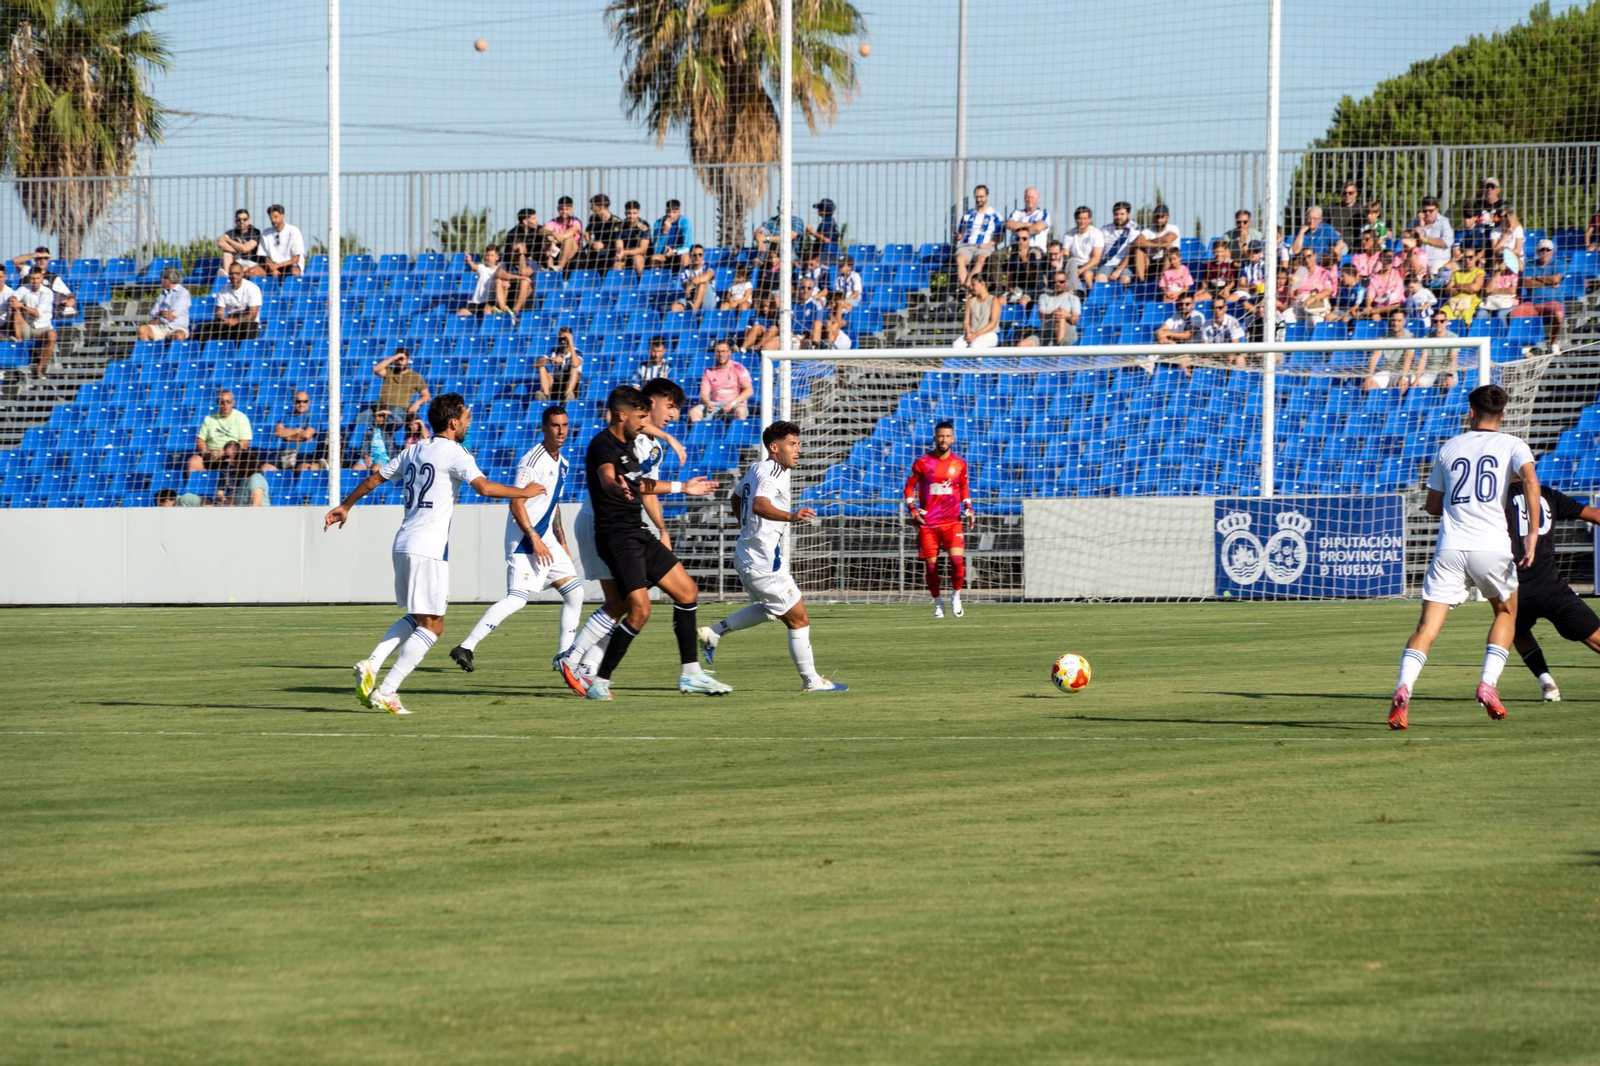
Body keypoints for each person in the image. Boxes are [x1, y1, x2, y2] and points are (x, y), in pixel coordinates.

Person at [328, 393, 544, 716]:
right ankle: (387, 691)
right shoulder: (456, 453)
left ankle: (372, 662)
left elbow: (375, 478)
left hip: (402, 543)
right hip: (428, 549)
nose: (469, 422)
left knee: (418, 618)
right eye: (467, 417)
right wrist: (524, 492)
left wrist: (346, 505)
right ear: (454, 422)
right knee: (434, 626)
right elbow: (483, 488)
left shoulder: (414, 449)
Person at [561, 385, 726, 701]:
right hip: (615, 536)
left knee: (687, 590)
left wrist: (683, 488)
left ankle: (691, 674)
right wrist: (614, 486)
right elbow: (607, 477)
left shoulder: (628, 446)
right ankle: (592, 675)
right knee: (635, 610)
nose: (645, 422)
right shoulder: (603, 445)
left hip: (637, 531)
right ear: (625, 415)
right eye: (640, 417)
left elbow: (644, 485)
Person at [1388, 384, 1538, 729]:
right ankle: (1487, 684)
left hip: (1450, 547)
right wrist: (1530, 535)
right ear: (1502, 415)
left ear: (1470, 412)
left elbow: (1431, 506)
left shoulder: (1449, 447)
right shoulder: (1513, 445)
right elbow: (1531, 481)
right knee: (1505, 612)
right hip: (1491, 547)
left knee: (1426, 628)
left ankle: (1404, 688)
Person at [696, 421, 848, 692]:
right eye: (792, 444)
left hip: (746, 555)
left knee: (771, 611)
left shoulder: (757, 468)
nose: (798, 449)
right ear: (774, 448)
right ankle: (812, 681)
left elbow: (735, 498)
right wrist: (791, 516)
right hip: (764, 562)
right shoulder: (774, 471)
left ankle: (714, 633)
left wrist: (746, 526)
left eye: (799, 443)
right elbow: (758, 504)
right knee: (799, 619)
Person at [449, 406, 586, 673]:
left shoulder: (564, 463)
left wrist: (562, 543)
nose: (561, 431)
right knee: (518, 598)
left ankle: (564, 659)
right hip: (525, 539)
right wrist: (534, 538)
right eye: (555, 426)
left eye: (565, 425)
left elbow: (553, 506)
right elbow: (516, 503)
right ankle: (466, 646)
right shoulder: (532, 461)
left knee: (575, 593)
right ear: (543, 428)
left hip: (546, 539)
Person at [1504, 478, 1600, 702]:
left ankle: (1546, 681)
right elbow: (1595, 515)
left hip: (1516, 591)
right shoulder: (1548, 494)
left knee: (1515, 629)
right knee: (1594, 637)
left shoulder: (1498, 497)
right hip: (1552, 589)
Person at [905, 421, 974, 620]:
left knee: (957, 562)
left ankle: (956, 596)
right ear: (935, 438)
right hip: (929, 524)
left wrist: (969, 508)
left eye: (947, 436)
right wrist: (912, 509)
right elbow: (909, 487)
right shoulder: (922, 462)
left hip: (952, 522)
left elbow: (963, 487)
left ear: (953, 439)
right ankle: (937, 603)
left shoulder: (959, 463)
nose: (943, 440)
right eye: (940, 436)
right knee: (931, 567)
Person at [1514, 239, 1567, 347]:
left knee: (1559, 315)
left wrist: (1537, 278)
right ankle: (1522, 344)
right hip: (1532, 303)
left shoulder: (1558, 263)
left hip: (1551, 302)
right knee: (1514, 314)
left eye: (1548, 249)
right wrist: (1549, 282)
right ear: (1537, 251)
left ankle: (1553, 343)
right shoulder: (1529, 265)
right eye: (1542, 249)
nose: (1545, 252)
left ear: (1552, 251)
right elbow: (1526, 283)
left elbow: (1556, 279)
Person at [193, 263, 261, 344]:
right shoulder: (223, 290)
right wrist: (221, 319)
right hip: (230, 321)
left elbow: (253, 315)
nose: (234, 276)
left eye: (237, 273)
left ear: (242, 273)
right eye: (231, 273)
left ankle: (239, 353)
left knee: (246, 327)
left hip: (247, 322)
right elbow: (219, 311)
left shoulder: (252, 288)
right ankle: (205, 353)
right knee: (205, 328)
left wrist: (236, 320)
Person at [187, 388, 253, 472]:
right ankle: (198, 483)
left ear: (233, 402)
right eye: (222, 402)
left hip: (231, 455)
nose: (225, 405)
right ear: (217, 403)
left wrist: (224, 452)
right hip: (211, 455)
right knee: (193, 462)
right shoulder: (209, 418)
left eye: (228, 402)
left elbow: (244, 443)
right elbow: (200, 440)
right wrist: (205, 453)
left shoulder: (241, 418)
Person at [952, 185, 1003, 288]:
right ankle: (968, 288)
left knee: (981, 258)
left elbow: (1000, 238)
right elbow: (961, 233)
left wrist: (987, 244)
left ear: (987, 196)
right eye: (977, 197)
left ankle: (968, 285)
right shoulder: (968, 214)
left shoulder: (995, 215)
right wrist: (958, 236)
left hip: (985, 246)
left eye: (981, 196)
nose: (979, 199)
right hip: (967, 245)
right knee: (959, 259)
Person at [689, 341, 753, 422]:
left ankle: (738, 433)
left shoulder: (738, 368)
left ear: (729, 352)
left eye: (723, 351)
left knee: (740, 411)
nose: (721, 354)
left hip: (734, 404)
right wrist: (708, 403)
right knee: (694, 412)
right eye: (718, 352)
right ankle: (700, 433)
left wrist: (732, 403)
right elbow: (704, 394)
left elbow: (749, 390)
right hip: (715, 405)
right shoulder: (709, 371)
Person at [1003, 187, 1051, 295]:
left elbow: (1038, 228)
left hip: (1035, 248)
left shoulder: (1043, 213)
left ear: (1038, 198)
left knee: (1033, 260)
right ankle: (1003, 290)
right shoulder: (1017, 213)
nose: (1029, 199)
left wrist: (1019, 227)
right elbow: (1009, 224)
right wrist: (1028, 225)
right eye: (1027, 197)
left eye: (1032, 197)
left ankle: (1038, 289)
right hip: (1015, 246)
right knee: (996, 257)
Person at [1017, 271, 1080, 348]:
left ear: (1066, 283)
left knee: (1060, 317)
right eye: (1054, 282)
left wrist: (1066, 315)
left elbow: (1075, 320)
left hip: (1067, 333)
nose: (1058, 284)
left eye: (1061, 282)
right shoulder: (1044, 297)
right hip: (1045, 333)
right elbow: (1042, 316)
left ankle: (1057, 353)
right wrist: (1052, 315)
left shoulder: (1074, 299)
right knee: (1022, 345)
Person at [12, 267, 56, 376]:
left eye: (37, 278)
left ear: (41, 278)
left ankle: (39, 368)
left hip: (42, 328)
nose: (35, 281)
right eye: (32, 279)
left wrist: (21, 305)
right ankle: (18, 340)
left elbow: (37, 313)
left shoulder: (47, 293)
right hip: (27, 326)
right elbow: (14, 297)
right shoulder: (24, 288)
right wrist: (14, 301)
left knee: (52, 335)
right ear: (29, 279)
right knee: (15, 310)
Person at [268, 390, 325, 471]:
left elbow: (307, 435)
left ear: (308, 402)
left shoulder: (313, 417)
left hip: (304, 454)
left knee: (303, 469)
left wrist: (287, 436)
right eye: (298, 401)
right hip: (285, 453)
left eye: (304, 401)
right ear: (294, 402)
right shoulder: (286, 416)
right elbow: (278, 432)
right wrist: (298, 431)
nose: (301, 404)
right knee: (266, 469)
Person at [1365, 309, 1418, 392]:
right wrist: (1369, 376)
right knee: (1368, 386)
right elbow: (1375, 357)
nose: (1395, 323)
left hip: (1404, 372)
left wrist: (1403, 377)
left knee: (1401, 388)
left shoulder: (1410, 337)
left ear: (1404, 321)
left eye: (1399, 321)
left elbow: (1408, 359)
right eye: (1393, 320)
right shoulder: (1383, 337)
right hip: (1387, 370)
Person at [458, 245, 516, 316]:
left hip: (489, 302)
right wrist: (469, 260)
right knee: (460, 313)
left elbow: (504, 279)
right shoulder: (482, 267)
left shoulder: (498, 270)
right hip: (476, 302)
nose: (489, 258)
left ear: (497, 258)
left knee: (487, 311)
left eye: (492, 255)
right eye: (487, 255)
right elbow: (474, 267)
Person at [373, 347, 430, 418]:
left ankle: (385, 416)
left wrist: (417, 404)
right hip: (380, 406)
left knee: (391, 420)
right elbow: (376, 369)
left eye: (402, 359)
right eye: (397, 360)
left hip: (398, 409)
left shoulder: (416, 377)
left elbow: (427, 396)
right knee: (360, 419)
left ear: (408, 360)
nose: (399, 362)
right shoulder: (389, 371)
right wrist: (394, 357)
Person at [1409, 197, 1455, 281]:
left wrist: (1425, 240)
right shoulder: (1416, 222)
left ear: (1437, 210)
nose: (1427, 214)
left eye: (1430, 211)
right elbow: (1407, 240)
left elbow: (1446, 242)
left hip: (1438, 264)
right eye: (1424, 211)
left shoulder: (1444, 222)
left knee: (1436, 269)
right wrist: (1420, 227)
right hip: (1419, 264)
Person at [138, 268, 191, 341]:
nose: (161, 281)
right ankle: (150, 351)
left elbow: (172, 316)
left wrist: (160, 316)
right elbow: (153, 313)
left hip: (176, 327)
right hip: (160, 327)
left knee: (179, 335)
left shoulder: (183, 293)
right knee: (142, 330)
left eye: (162, 279)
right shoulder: (162, 295)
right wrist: (162, 313)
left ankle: (174, 352)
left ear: (169, 280)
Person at [1096, 201, 1141, 286]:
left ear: (1128, 214)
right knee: (1099, 278)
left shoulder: (1134, 230)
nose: (1118, 217)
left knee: (1125, 279)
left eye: (1122, 214)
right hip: (1108, 264)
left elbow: (1130, 254)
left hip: (1126, 265)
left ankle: (1122, 299)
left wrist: (1119, 270)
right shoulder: (1104, 229)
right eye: (1116, 214)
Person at [1130, 204, 1179, 282]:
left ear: (1167, 217)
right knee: (1138, 250)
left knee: (1168, 249)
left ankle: (1163, 280)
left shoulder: (1173, 228)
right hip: (1151, 261)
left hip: (1168, 260)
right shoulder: (1148, 230)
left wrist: (1147, 243)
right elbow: (1138, 242)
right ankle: (1142, 281)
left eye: (1161, 217)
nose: (1159, 220)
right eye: (1157, 217)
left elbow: (1167, 239)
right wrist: (1159, 244)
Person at [254, 204, 304, 278]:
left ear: (283, 216)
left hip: (290, 265)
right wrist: (271, 267)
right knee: (252, 272)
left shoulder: (294, 231)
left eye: (276, 217)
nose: (273, 220)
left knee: (295, 273)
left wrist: (277, 266)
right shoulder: (266, 233)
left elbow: (296, 258)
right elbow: (264, 255)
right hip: (272, 265)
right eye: (271, 218)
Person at [951, 276, 1001, 350]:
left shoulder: (994, 300)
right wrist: (968, 333)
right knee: (956, 345)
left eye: (973, 284)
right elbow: (966, 321)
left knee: (975, 345)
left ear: (982, 284)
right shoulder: (970, 301)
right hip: (972, 333)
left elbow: (993, 323)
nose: (971, 287)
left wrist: (977, 334)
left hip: (989, 334)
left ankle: (977, 361)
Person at [579, 194, 623, 273]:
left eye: (593, 206)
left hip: (610, 252)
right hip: (595, 250)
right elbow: (588, 231)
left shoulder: (616, 222)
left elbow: (619, 246)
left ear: (600, 207)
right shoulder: (593, 218)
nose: (591, 208)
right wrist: (589, 241)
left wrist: (603, 245)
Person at [537, 327, 583, 401]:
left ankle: (566, 397)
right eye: (560, 339)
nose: (563, 342)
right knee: (541, 367)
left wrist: (571, 343)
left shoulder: (577, 352)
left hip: (571, 386)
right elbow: (536, 364)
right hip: (556, 384)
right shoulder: (554, 351)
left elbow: (575, 364)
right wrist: (549, 359)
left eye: (565, 339)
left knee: (575, 369)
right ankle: (546, 396)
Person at [1199, 296, 1247, 366]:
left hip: (1230, 353)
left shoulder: (1233, 322)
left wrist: (1218, 353)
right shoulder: (1206, 325)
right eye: (1214, 308)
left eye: (1220, 308)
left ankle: (1229, 377)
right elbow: (1204, 346)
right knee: (1205, 360)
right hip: (1212, 355)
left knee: (1232, 357)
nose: (1217, 310)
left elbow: (1234, 346)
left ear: (1225, 308)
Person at [670, 245, 716, 312]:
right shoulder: (684, 270)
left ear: (703, 255)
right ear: (690, 255)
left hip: (708, 300)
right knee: (675, 307)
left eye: (700, 254)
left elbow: (707, 276)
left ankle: (693, 313)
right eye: (694, 255)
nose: (697, 257)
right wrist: (692, 283)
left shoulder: (709, 266)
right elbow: (686, 286)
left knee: (703, 284)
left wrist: (692, 281)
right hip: (691, 298)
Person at [649, 199, 693, 269]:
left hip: (678, 254)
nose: (671, 215)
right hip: (664, 256)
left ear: (679, 212)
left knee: (685, 257)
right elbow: (656, 249)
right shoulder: (658, 223)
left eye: (674, 212)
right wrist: (664, 232)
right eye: (669, 212)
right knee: (655, 258)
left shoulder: (685, 222)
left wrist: (674, 251)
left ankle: (684, 278)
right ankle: (656, 278)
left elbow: (688, 247)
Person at [216, 209, 262, 275]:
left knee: (245, 268)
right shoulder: (232, 232)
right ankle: (227, 275)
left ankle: (230, 274)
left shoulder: (255, 232)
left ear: (249, 220)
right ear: (235, 221)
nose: (241, 222)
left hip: (252, 262)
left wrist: (229, 240)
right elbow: (220, 242)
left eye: (244, 219)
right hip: (237, 261)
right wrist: (240, 248)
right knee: (226, 252)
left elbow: (245, 249)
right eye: (239, 220)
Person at [1325, 181, 1364, 255]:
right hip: (1331, 241)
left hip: (1349, 244)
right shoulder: (1332, 208)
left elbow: (1374, 222)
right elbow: (1321, 224)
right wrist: (1332, 232)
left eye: (1350, 193)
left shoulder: (1361, 210)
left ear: (1356, 194)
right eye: (1344, 193)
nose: (1347, 195)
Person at [545, 196, 584, 271]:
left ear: (571, 209)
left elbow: (568, 233)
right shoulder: (553, 221)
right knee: (549, 238)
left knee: (568, 238)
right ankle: (550, 266)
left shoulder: (575, 221)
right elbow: (543, 230)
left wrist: (556, 238)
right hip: (557, 250)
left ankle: (560, 267)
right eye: (561, 209)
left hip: (574, 251)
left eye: (567, 209)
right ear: (558, 209)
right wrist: (553, 234)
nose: (564, 212)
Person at [616, 200, 652, 275]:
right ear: (625, 213)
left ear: (638, 213)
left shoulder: (644, 226)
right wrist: (620, 253)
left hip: (642, 257)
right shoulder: (619, 226)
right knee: (617, 264)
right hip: (625, 257)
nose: (631, 216)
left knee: (637, 259)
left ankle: (640, 283)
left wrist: (625, 252)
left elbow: (642, 249)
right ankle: (619, 285)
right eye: (629, 213)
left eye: (634, 213)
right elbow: (619, 246)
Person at [805, 199, 841, 263]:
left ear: (823, 211)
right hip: (833, 252)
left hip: (827, 253)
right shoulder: (832, 221)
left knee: (811, 263)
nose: (818, 211)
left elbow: (827, 240)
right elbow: (838, 238)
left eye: (819, 209)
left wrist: (812, 232)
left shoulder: (827, 222)